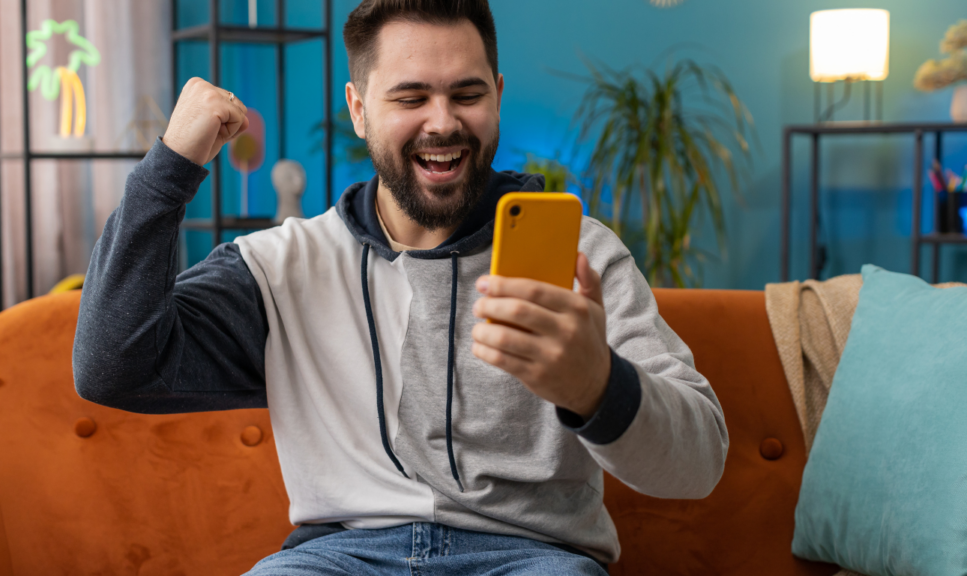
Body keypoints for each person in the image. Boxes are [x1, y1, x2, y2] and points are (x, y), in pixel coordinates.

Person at [72, 1, 728, 574]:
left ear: (497, 94)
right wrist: (169, 169)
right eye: (410, 97)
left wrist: (596, 385)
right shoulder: (280, 265)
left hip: (532, 558)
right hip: (335, 559)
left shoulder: (581, 254)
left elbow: (698, 464)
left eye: (466, 94)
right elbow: (111, 365)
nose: (442, 122)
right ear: (358, 109)